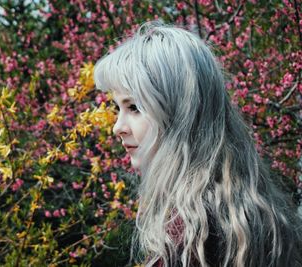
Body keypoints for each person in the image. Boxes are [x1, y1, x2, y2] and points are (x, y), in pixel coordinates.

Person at [93, 21, 302, 267]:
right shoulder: (248, 210)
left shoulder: (190, 234)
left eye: (134, 108)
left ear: (179, 113)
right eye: (118, 108)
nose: (118, 127)